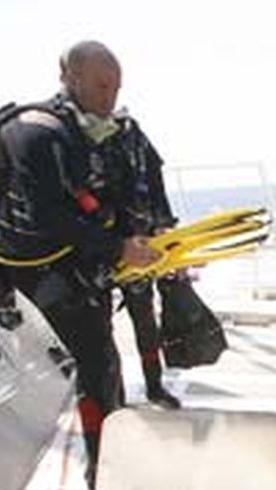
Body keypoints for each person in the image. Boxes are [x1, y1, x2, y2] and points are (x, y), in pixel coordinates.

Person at [0, 40, 158, 488]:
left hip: (79, 262)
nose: (110, 98)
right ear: (69, 75)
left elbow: (111, 198)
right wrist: (119, 249)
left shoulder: (93, 134)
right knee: (93, 359)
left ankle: (113, 449)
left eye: (116, 87)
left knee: (102, 354)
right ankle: (103, 468)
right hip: (39, 268)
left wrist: (132, 235)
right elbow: (46, 214)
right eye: (101, 86)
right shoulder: (33, 132)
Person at [103, 111, 181, 409]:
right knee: (101, 330)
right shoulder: (71, 139)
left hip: (138, 244)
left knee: (145, 321)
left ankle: (154, 386)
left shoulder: (131, 136)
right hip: (100, 250)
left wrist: (164, 225)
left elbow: (154, 180)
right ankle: (115, 397)